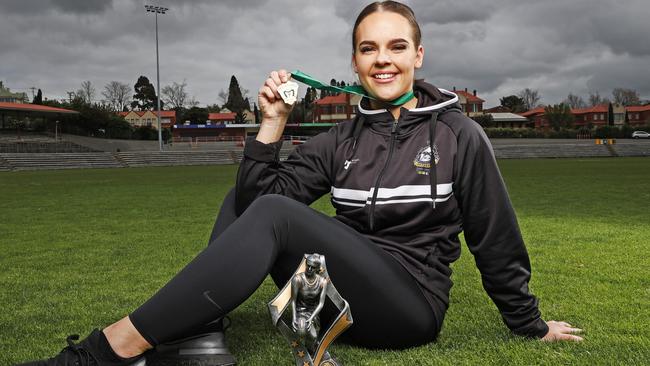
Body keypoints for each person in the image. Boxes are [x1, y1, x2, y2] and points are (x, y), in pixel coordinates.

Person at [19, 1, 583, 365]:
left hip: (409, 308)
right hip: (334, 299)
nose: (382, 61)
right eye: (368, 49)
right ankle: (203, 338)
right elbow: (252, 203)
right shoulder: (340, 140)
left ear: (418, 54)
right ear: (356, 61)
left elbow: (495, 237)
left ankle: (110, 350)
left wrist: (529, 324)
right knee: (247, 200)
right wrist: (272, 125)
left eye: (395, 46)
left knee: (268, 210)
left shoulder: (460, 135)